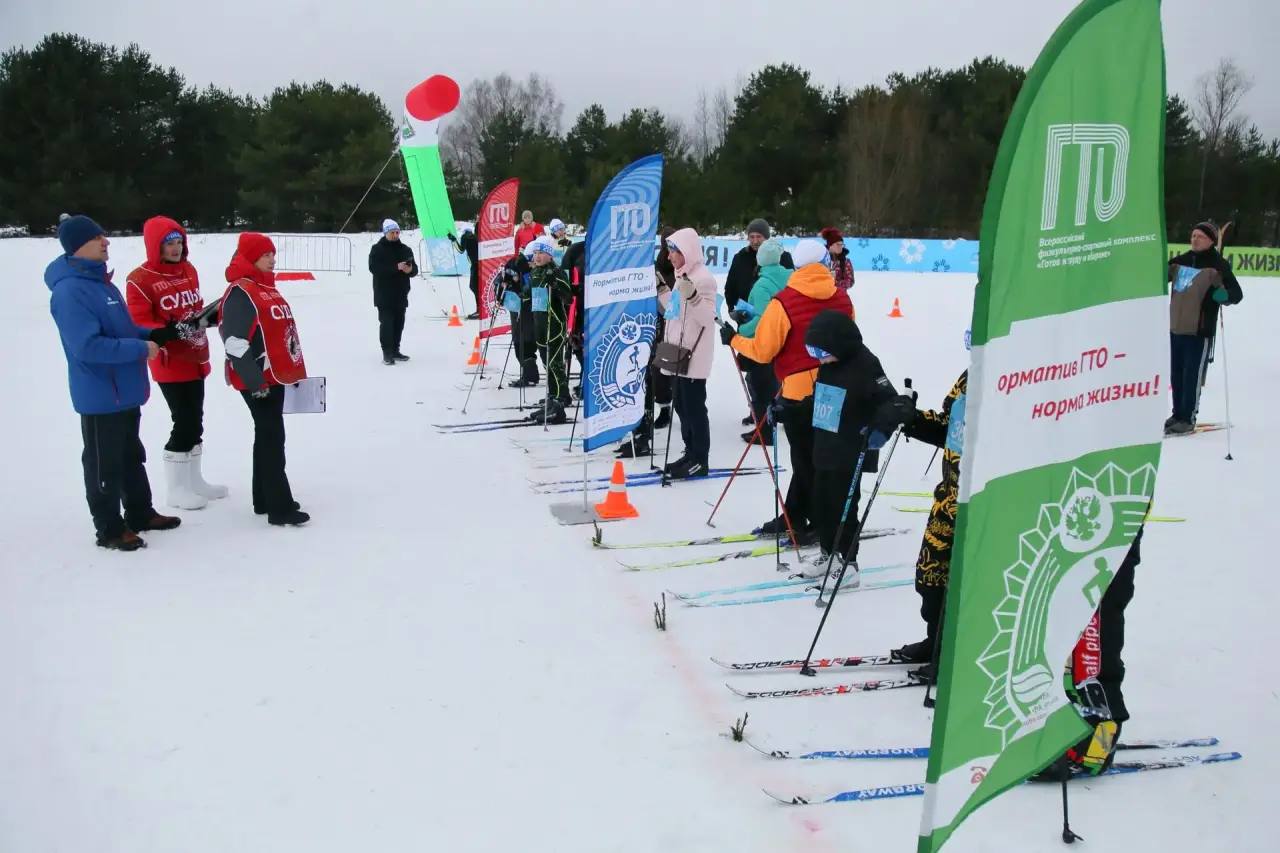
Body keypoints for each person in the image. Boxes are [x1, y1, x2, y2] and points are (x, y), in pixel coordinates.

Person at [47, 215, 182, 550]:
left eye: (104, 235)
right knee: (103, 464)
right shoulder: (70, 292)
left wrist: (153, 334)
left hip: (125, 389)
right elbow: (87, 346)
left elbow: (122, 330)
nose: (106, 242)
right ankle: (109, 528)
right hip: (100, 393)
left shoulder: (102, 283)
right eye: (97, 238)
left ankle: (140, 513)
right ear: (78, 246)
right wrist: (140, 348)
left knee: (131, 455)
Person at [723, 239, 852, 540]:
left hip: (798, 391)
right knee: (817, 459)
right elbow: (851, 343)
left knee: (806, 461)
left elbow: (763, 350)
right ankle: (797, 514)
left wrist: (734, 339)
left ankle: (814, 521)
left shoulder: (785, 301)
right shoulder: (842, 298)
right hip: (835, 391)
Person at [125, 215, 225, 511]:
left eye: (179, 242)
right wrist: (167, 331)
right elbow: (138, 322)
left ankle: (195, 481)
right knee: (184, 421)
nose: (176, 248)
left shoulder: (188, 269)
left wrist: (208, 317)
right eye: (169, 243)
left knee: (196, 420)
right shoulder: (139, 279)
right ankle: (177, 489)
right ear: (155, 246)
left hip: (196, 355)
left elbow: (193, 308)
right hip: (170, 361)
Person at [219, 233, 310, 527]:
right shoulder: (241, 292)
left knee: (268, 434)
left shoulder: (264, 287)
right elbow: (234, 342)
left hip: (274, 375)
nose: (272, 259)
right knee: (272, 437)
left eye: (272, 254)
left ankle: (264, 498)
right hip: (257, 379)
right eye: (265, 255)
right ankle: (279, 507)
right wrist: (255, 382)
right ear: (250, 258)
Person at [803, 310, 901, 573]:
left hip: (850, 450)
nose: (819, 359)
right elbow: (819, 399)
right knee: (821, 504)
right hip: (825, 447)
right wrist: (788, 410)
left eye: (821, 352)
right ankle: (828, 554)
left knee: (843, 509)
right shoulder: (829, 366)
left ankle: (848, 562)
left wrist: (881, 429)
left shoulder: (865, 364)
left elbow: (890, 402)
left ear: (837, 344)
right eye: (814, 353)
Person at [891, 367, 968, 682]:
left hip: (982, 502)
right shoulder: (970, 376)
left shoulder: (1018, 378)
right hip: (949, 498)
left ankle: (956, 652)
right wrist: (914, 419)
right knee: (930, 578)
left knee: (963, 584)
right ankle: (937, 641)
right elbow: (949, 428)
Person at [1166, 221, 1242, 435]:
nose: (1195, 239)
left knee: (1192, 376)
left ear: (1211, 241)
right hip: (1176, 328)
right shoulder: (1180, 261)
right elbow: (1158, 277)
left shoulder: (1218, 265)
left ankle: (1187, 418)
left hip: (1199, 331)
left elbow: (1236, 293)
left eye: (1200, 236)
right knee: (1176, 375)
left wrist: (1224, 295)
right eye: (1193, 235)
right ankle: (1177, 414)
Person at [659, 228, 717, 479]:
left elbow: (707, 318)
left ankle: (700, 459)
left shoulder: (703, 279)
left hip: (694, 356)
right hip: (678, 353)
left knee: (694, 409)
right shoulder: (682, 275)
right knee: (681, 406)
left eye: (674, 251)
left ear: (687, 251)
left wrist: (692, 296)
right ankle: (690, 452)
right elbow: (674, 313)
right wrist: (663, 290)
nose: (669, 256)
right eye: (669, 251)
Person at [730, 237, 788, 444]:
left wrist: (742, 329)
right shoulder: (789, 276)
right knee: (772, 382)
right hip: (783, 339)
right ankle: (769, 424)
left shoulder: (762, 285)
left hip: (763, 342)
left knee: (759, 385)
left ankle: (765, 431)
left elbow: (763, 318)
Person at [525, 238, 574, 424]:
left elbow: (568, 297)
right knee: (547, 363)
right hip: (539, 323)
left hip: (554, 324)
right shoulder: (535, 272)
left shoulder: (556, 271)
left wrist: (556, 284)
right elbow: (528, 295)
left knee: (555, 363)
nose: (537, 257)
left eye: (541, 253)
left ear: (550, 255)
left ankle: (560, 401)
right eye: (535, 253)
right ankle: (552, 398)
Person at [368, 219, 419, 365]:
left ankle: (396, 350)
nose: (395, 235)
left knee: (399, 323)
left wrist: (410, 270)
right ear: (385, 233)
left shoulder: (405, 249)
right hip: (384, 294)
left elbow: (414, 269)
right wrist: (395, 267)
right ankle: (387, 352)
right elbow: (374, 268)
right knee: (386, 323)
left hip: (401, 293)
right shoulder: (377, 249)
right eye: (392, 233)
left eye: (397, 232)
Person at [501, 245, 538, 388]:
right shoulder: (514, 264)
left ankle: (530, 376)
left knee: (527, 342)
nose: (533, 263)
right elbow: (504, 281)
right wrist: (506, 286)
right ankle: (529, 375)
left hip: (531, 309)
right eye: (531, 259)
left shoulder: (538, 269)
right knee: (520, 342)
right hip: (518, 307)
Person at [447, 226, 480, 319]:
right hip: (481, 264)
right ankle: (481, 309)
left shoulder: (465, 237)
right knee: (477, 287)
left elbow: (461, 249)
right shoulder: (475, 237)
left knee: (474, 286)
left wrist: (453, 239)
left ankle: (480, 310)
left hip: (475, 265)